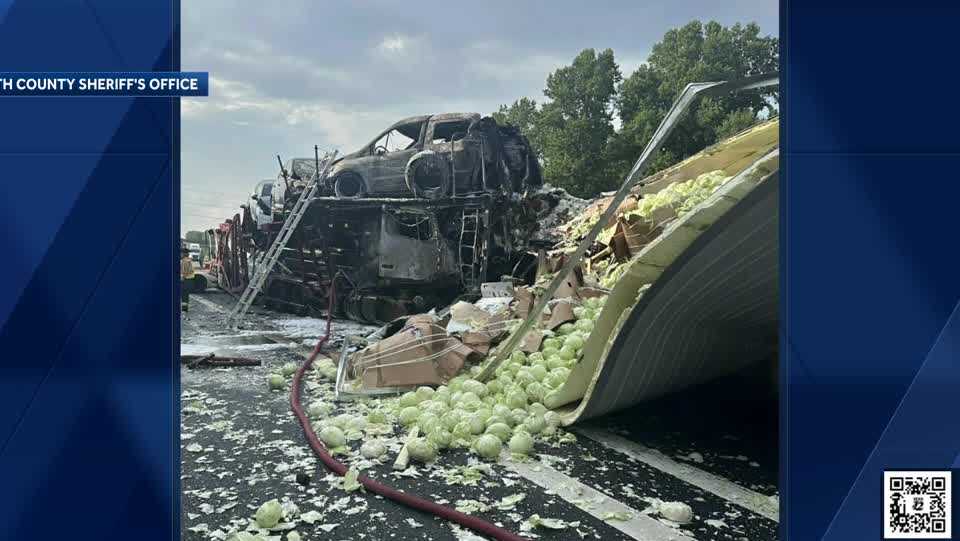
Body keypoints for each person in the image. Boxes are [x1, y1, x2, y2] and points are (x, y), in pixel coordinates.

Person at [180, 247, 195, 312]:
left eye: (181, 253)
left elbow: (184, 271)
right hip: (190, 279)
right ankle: (185, 308)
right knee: (186, 294)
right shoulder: (189, 260)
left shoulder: (184, 261)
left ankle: (184, 309)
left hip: (185, 280)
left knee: (184, 294)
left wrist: (182, 278)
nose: (180, 254)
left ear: (183, 254)